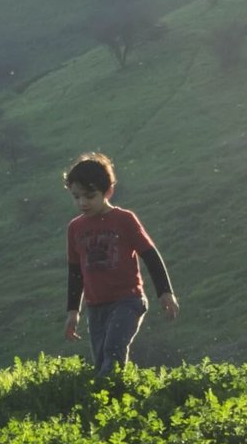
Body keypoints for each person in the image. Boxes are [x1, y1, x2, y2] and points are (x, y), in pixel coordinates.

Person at [63, 152, 179, 375]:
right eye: (76, 197)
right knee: (101, 362)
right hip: (96, 306)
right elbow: (75, 271)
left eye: (90, 196)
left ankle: (106, 390)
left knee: (113, 350)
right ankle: (111, 393)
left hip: (128, 301)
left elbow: (150, 255)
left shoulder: (124, 220)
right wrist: (73, 311)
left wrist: (165, 292)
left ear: (108, 191)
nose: (82, 202)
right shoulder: (75, 228)